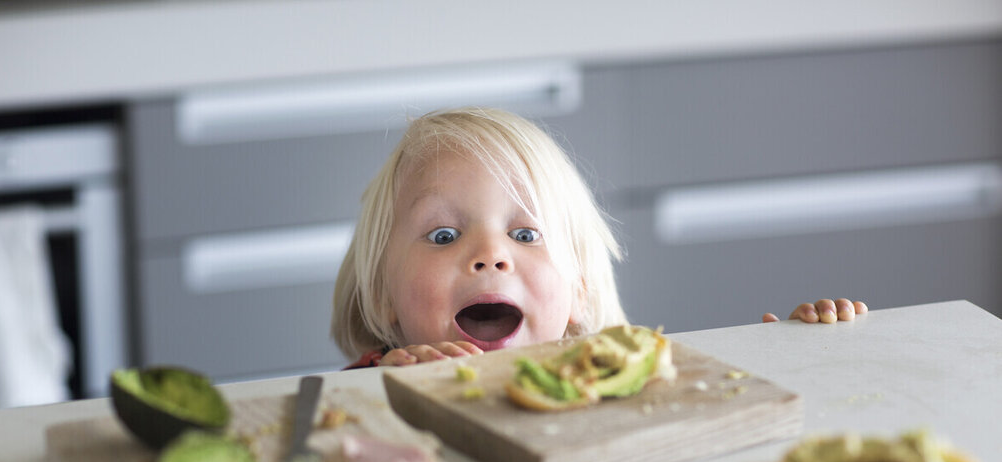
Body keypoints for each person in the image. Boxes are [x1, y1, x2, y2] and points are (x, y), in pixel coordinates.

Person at [332, 107, 863, 368]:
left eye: (525, 233)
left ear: (579, 288)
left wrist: (796, 360)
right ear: (381, 290)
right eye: (444, 234)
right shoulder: (374, 386)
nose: (491, 255)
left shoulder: (612, 377)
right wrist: (382, 399)